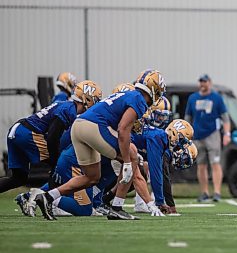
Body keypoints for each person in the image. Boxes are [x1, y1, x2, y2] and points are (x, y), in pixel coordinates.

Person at [35, 69, 166, 221]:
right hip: (93, 127)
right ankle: (117, 208)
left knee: (91, 177)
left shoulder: (127, 94)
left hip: (78, 127)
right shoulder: (139, 99)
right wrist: (127, 162)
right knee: (132, 155)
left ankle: (48, 197)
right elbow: (123, 129)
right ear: (154, 89)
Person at [1, 80, 100, 194]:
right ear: (86, 98)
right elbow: (53, 137)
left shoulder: (66, 106)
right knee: (60, 165)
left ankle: (46, 198)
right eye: (95, 99)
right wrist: (56, 161)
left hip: (16, 131)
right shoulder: (69, 110)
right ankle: (50, 201)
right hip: (27, 133)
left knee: (18, 178)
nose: (96, 103)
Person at [185, 74, 231, 202]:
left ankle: (217, 192)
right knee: (201, 165)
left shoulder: (216, 98)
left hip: (212, 135)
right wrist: (186, 135)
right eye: (201, 81)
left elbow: (225, 118)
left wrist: (227, 134)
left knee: (215, 163)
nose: (202, 84)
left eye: (205, 81)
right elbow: (188, 117)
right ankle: (204, 192)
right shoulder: (193, 98)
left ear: (210, 82)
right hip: (197, 136)